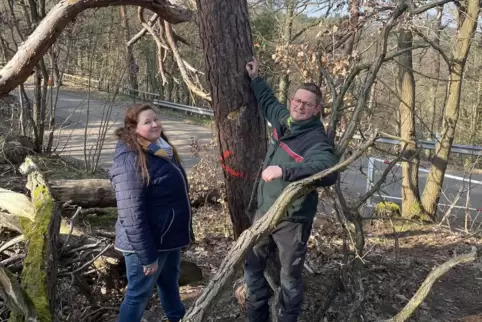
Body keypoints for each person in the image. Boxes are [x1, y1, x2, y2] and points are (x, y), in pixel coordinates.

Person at [243, 57, 338, 322]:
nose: (300, 106)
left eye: (307, 104)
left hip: (292, 221)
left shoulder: (316, 140)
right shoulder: (285, 120)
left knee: (289, 280)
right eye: (297, 100)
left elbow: (328, 169)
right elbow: (269, 103)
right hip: (264, 212)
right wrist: (256, 79)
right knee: (252, 267)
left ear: (317, 109)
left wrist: (284, 171)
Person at [109, 103, 191, 322]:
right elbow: (131, 213)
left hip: (167, 238)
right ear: (133, 128)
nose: (155, 124)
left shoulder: (162, 149)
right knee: (138, 295)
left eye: (156, 119)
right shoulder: (130, 159)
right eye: (147, 122)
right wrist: (147, 257)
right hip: (145, 244)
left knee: (170, 285)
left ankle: (178, 318)